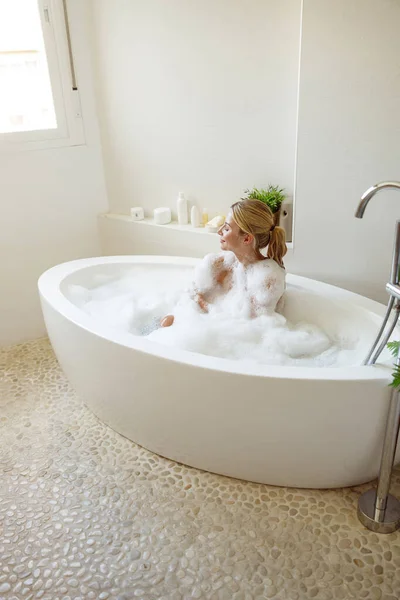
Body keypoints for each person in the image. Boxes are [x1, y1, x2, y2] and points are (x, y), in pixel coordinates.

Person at [160, 198, 287, 327]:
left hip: (235, 338)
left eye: (226, 228)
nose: (219, 231)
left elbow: (252, 330)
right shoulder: (221, 264)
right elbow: (193, 294)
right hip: (213, 330)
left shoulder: (267, 279)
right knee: (167, 320)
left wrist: (206, 308)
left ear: (247, 238)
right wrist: (203, 307)